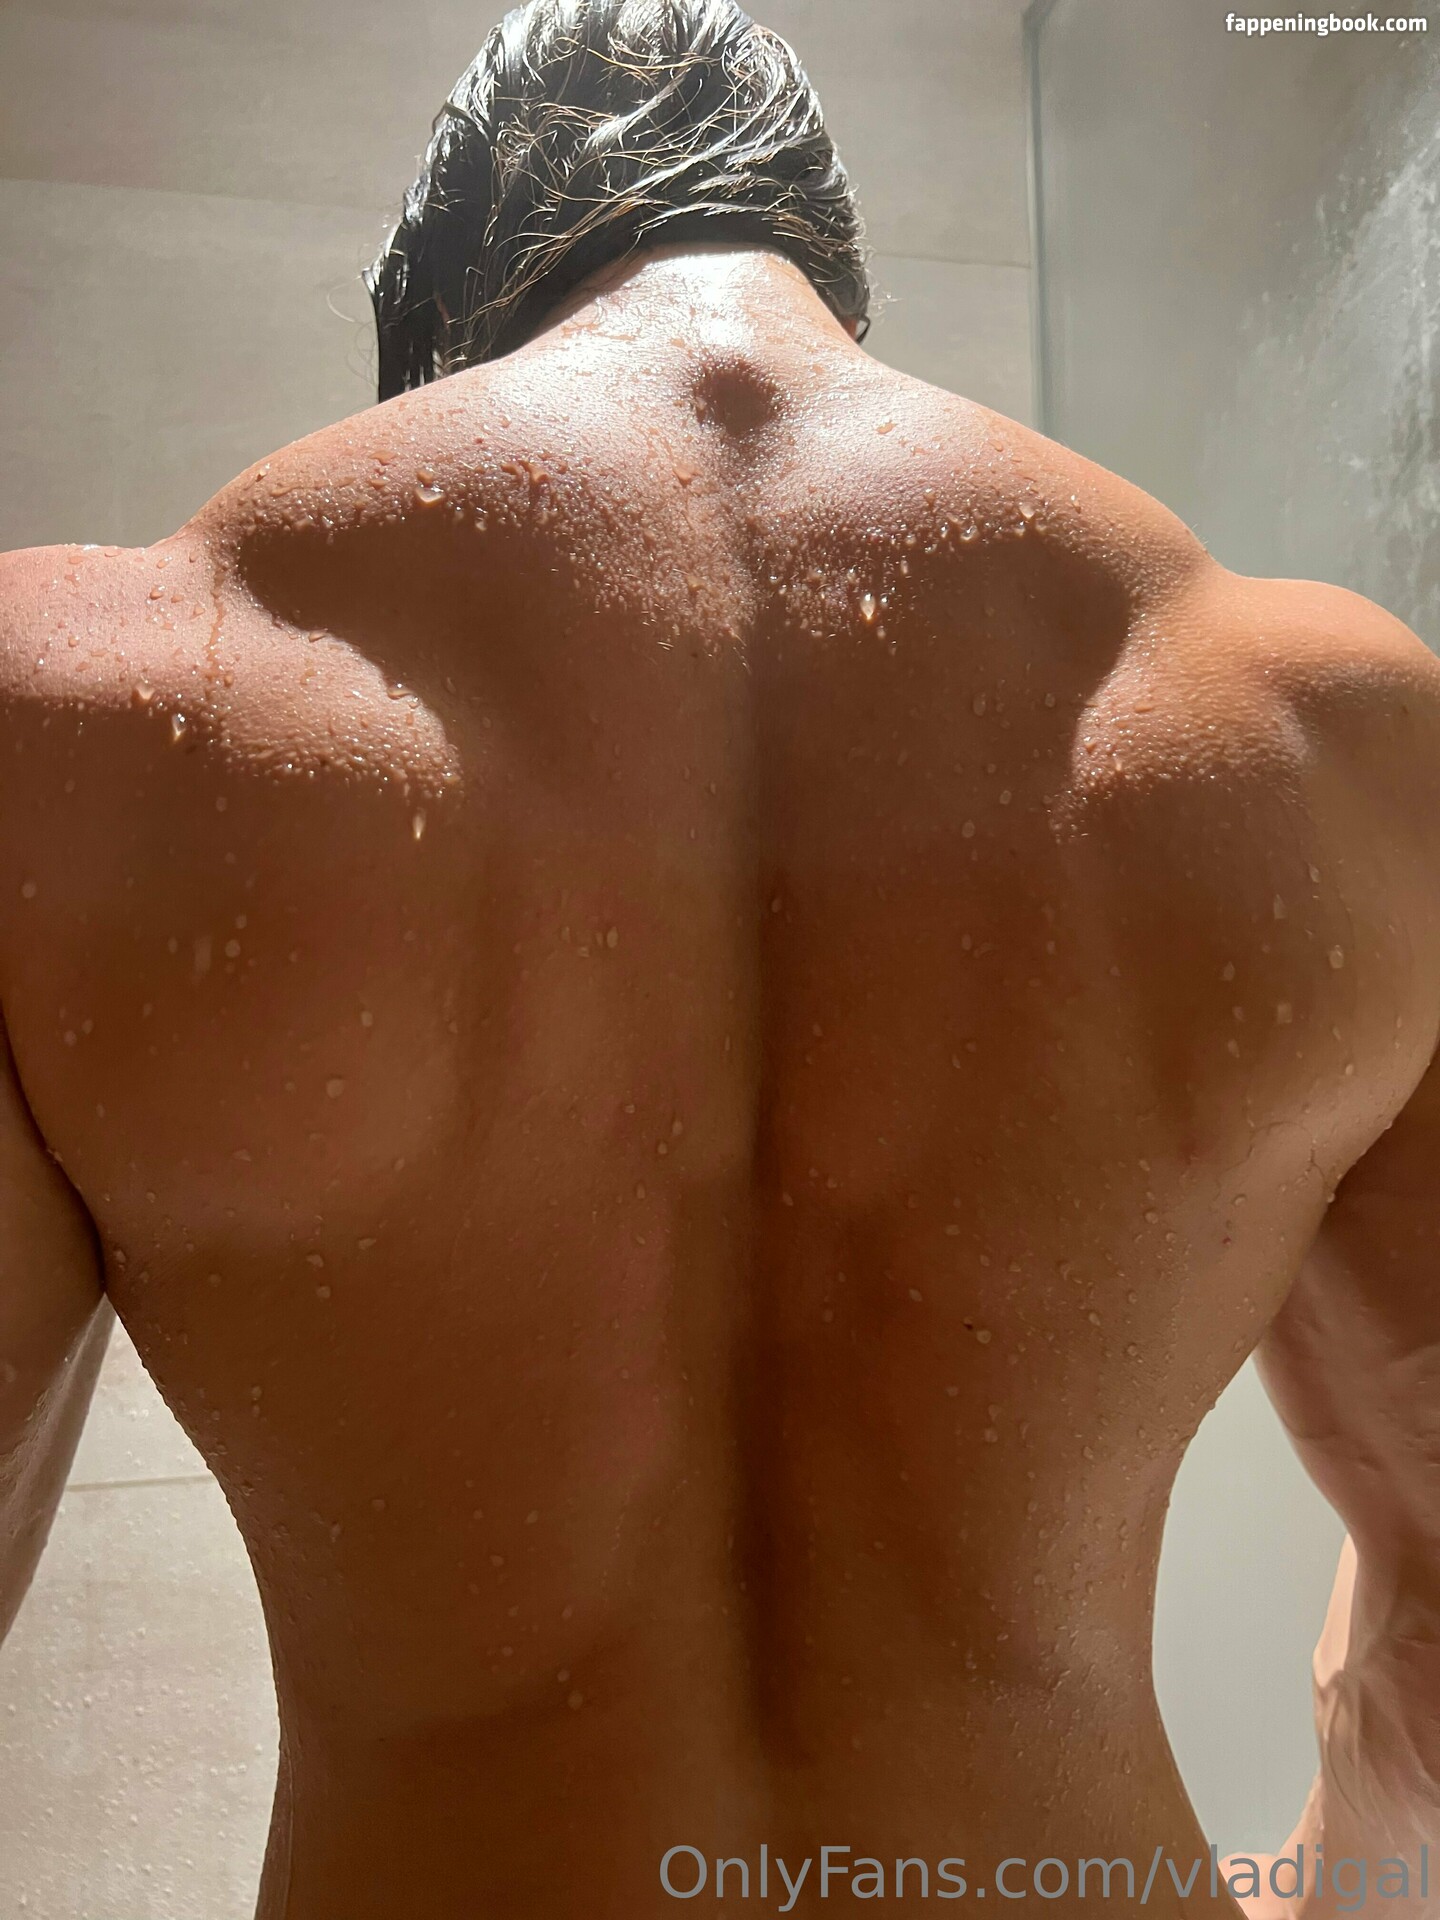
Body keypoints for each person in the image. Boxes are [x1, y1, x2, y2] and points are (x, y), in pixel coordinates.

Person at [0, 2, 1437, 1914]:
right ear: (838, 275)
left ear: (442, 311)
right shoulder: (1329, 734)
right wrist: (1327, 1883)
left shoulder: (73, 723)